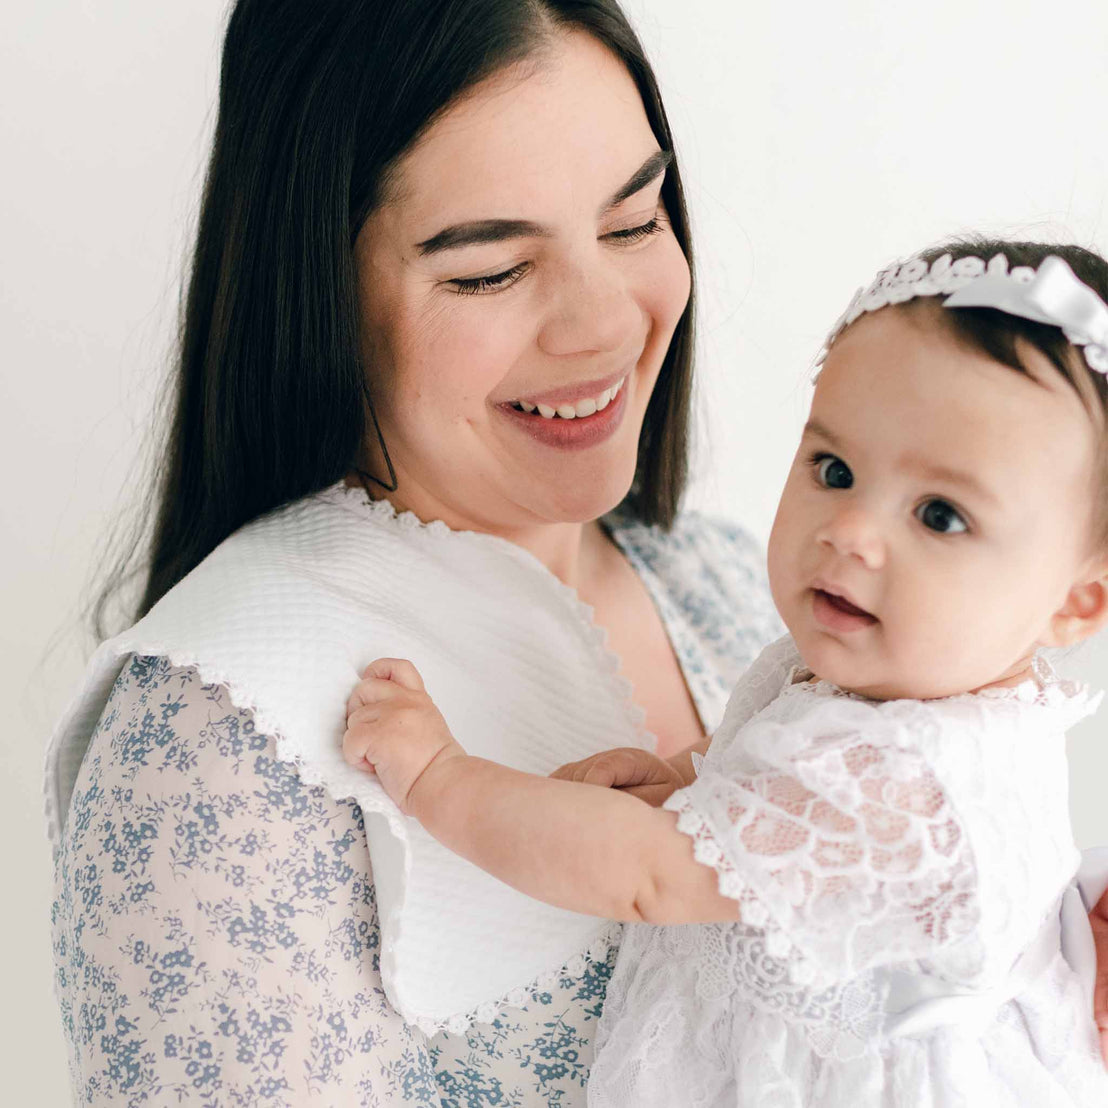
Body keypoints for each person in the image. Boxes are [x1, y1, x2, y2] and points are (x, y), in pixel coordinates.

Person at [42, 0, 1108, 1103]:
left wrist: (1049, 949)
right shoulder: (220, 740)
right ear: (316, 285)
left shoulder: (728, 586)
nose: (601, 326)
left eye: (634, 222)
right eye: (491, 269)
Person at [343, 240, 1108, 1105]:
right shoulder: (893, 677)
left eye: (940, 515)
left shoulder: (910, 784)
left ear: (1076, 604)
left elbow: (647, 876)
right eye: (835, 470)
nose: (850, 531)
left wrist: (440, 777)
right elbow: (793, 758)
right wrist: (688, 779)